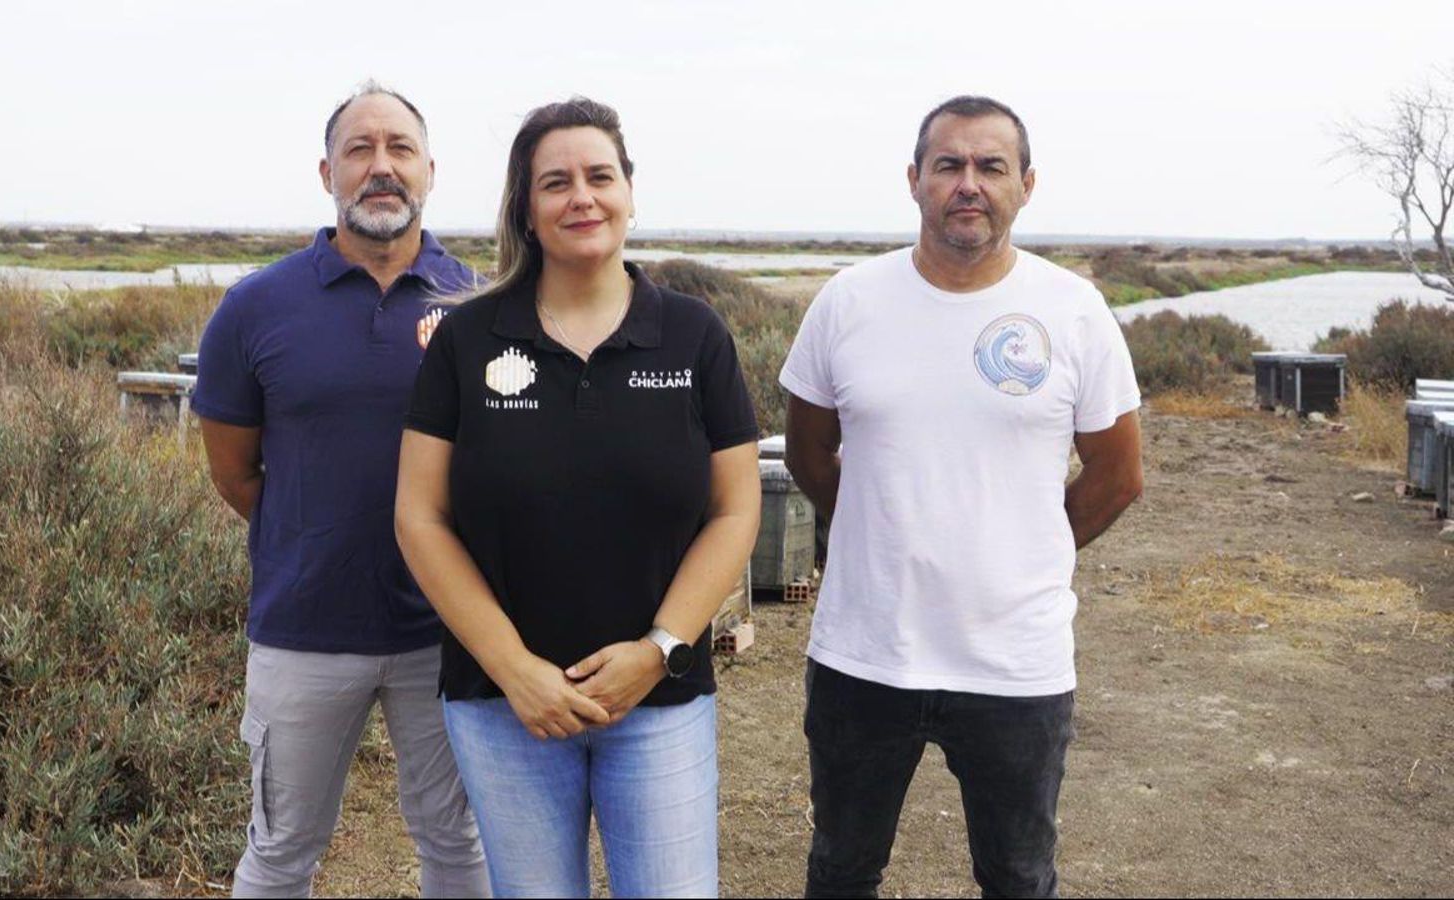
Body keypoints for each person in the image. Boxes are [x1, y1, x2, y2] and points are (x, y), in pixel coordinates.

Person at [395, 96, 761, 899]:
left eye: (600, 175)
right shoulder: (468, 338)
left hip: (659, 702)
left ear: (629, 190)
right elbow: (419, 517)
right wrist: (514, 667)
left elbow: (735, 511)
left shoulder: (695, 337)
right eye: (555, 182)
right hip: (504, 709)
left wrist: (659, 650)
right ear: (527, 209)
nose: (581, 197)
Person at [779, 95, 1145, 899]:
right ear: (915, 180)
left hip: (1015, 663)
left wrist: (1025, 550)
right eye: (948, 165)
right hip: (864, 653)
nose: (968, 184)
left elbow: (1118, 477)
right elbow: (809, 453)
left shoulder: (1075, 311)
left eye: (991, 166)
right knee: (841, 870)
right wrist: (881, 527)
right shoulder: (848, 301)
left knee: (1017, 877)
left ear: (1027, 184)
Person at [192, 81, 489, 899]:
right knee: (282, 851)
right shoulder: (255, 308)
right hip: (302, 631)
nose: (380, 167)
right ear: (327, 171)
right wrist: (317, 531)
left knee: (459, 844)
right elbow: (235, 471)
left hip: (450, 629)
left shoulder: (482, 306)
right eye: (360, 149)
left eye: (399, 149)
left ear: (431, 169)